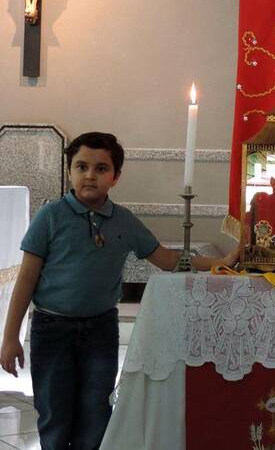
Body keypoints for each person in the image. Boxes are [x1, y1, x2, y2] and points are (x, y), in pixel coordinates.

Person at [0, 132, 238, 450]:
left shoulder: (123, 221)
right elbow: (26, 279)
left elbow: (167, 259)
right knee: (55, 413)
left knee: (97, 412)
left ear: (115, 177)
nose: (90, 175)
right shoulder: (51, 217)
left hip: (100, 330)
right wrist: (10, 335)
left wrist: (219, 262)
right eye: (81, 166)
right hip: (52, 329)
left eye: (101, 169)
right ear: (69, 170)